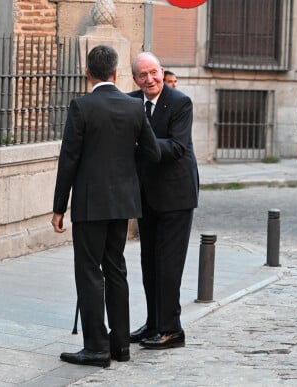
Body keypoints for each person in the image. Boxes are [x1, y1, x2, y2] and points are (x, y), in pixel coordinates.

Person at [52, 45, 160, 367]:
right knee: (116, 270)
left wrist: (59, 206)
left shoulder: (81, 107)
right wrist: (127, 172)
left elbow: (68, 160)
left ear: (88, 73)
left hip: (89, 204)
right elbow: (152, 153)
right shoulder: (133, 107)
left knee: (88, 273)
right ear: (116, 73)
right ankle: (121, 345)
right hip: (123, 203)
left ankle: (96, 347)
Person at [128, 52, 199, 350]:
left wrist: (139, 144)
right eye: (142, 75)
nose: (150, 79)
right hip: (146, 196)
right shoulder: (130, 101)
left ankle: (172, 330)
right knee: (149, 263)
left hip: (176, 195)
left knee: (169, 265)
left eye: (154, 72)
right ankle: (154, 322)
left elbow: (177, 147)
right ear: (135, 79)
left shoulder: (180, 103)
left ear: (162, 71)